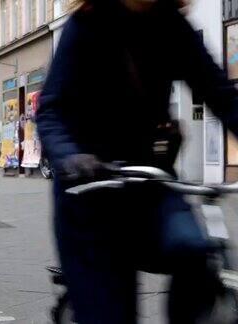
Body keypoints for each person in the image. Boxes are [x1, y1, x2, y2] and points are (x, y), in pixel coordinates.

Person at [36, 0, 238, 323]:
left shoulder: (172, 25)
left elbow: (222, 95)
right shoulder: (86, 26)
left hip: (150, 185)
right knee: (110, 312)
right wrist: (70, 157)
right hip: (91, 191)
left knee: (193, 249)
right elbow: (50, 111)